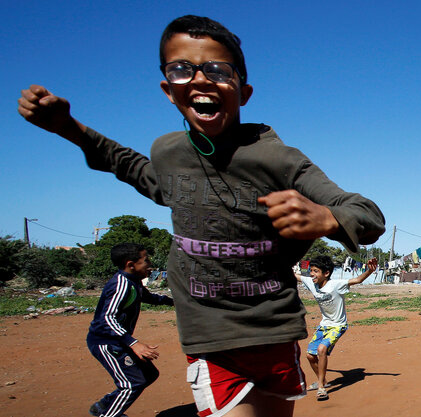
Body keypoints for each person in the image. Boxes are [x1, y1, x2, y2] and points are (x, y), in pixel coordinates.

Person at [19, 15, 385, 417]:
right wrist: (70, 129)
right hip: (212, 339)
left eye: (218, 70)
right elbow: (130, 166)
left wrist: (327, 219)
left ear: (243, 92)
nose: (200, 79)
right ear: (168, 90)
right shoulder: (169, 154)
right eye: (181, 69)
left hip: (276, 333)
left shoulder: (278, 158)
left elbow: (366, 215)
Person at [87, 243, 175, 417]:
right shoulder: (120, 284)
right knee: (131, 384)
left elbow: (148, 297)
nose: (150, 265)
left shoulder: (133, 282)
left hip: (119, 340)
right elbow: (107, 318)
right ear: (131, 264)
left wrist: (174, 302)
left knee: (148, 374)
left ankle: (105, 405)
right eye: (146, 260)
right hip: (106, 342)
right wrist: (133, 343)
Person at [296, 256, 378, 401]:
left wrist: (369, 271)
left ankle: (321, 387)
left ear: (326, 273)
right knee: (310, 355)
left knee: (321, 350)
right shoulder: (311, 282)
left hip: (338, 326)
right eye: (311, 271)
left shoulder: (336, 284)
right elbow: (295, 276)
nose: (312, 274)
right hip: (324, 325)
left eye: (316, 271)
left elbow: (357, 280)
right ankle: (324, 380)